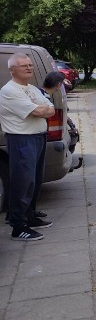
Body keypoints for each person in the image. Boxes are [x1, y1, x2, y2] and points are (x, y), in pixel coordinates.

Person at [0, 53, 55, 240]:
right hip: (22, 139)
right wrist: (39, 109)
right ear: (12, 69)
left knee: (35, 180)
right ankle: (18, 226)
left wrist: (40, 109)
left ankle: (29, 217)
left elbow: (50, 109)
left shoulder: (31, 88)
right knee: (23, 182)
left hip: (37, 137)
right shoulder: (9, 91)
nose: (29, 68)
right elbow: (39, 110)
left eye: (30, 65)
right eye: (24, 65)